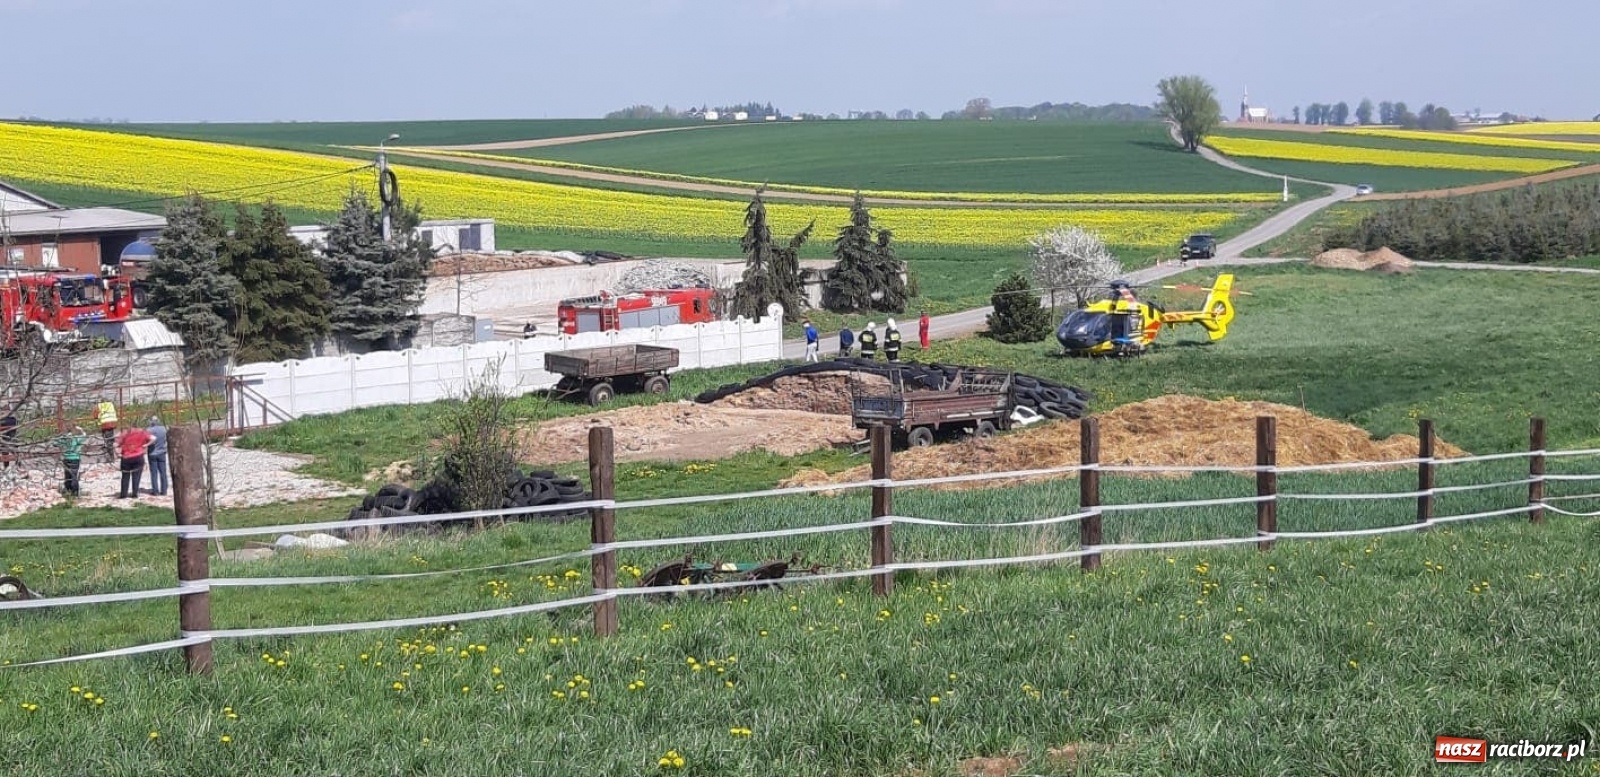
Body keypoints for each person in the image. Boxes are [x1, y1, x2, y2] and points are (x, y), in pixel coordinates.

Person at [117, 423, 154, 499]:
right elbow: (153, 438)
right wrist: (146, 445)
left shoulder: (125, 433)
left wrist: (117, 452)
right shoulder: (142, 432)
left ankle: (124, 494)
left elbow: (116, 444)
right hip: (138, 456)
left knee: (125, 477)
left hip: (126, 457)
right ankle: (135, 493)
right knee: (136, 476)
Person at [55, 425, 87, 497]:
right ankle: (75, 493)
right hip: (75, 459)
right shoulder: (76, 439)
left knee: (67, 476)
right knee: (74, 476)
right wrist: (81, 429)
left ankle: (68, 490)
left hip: (66, 459)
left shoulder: (64, 440)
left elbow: (55, 443)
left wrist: (60, 436)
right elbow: (84, 435)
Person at [145, 416, 169, 497]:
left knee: (154, 473)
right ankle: (164, 490)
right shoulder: (163, 429)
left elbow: (147, 440)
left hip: (152, 453)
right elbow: (166, 439)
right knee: (163, 472)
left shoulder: (149, 430)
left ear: (151, 421)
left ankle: (155, 491)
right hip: (162, 452)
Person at [96, 398, 118, 463]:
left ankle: (111, 458)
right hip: (112, 424)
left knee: (108, 442)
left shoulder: (99, 406)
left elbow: (95, 415)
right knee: (110, 440)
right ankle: (112, 455)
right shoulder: (111, 405)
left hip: (104, 425)